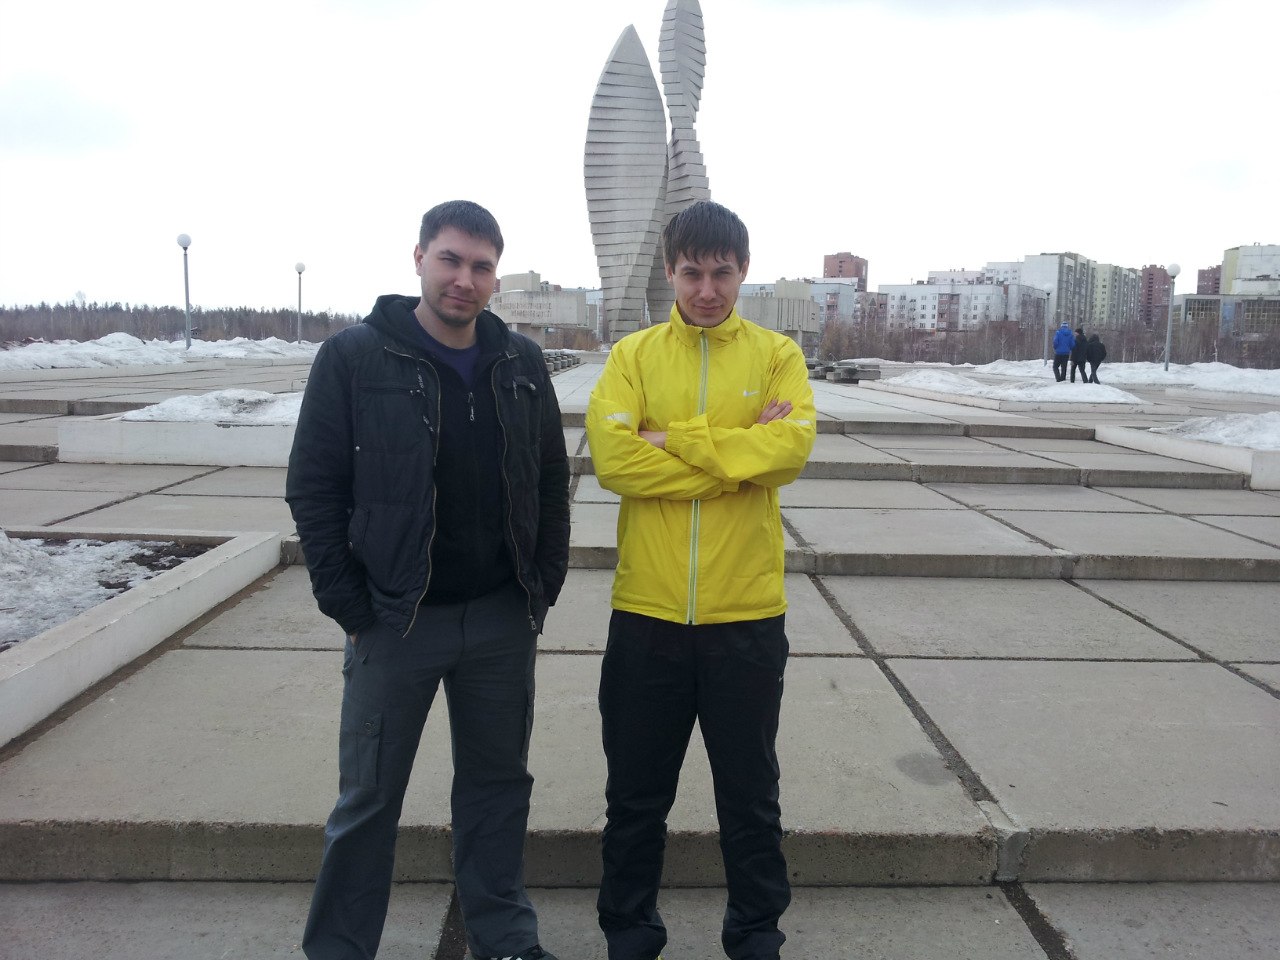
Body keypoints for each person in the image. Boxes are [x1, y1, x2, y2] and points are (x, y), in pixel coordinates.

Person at [286, 200, 569, 960]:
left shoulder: (521, 363)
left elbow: (549, 478)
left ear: (495, 277)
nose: (463, 279)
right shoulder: (354, 357)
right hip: (394, 620)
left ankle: (503, 936)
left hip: (500, 620)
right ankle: (340, 948)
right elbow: (314, 487)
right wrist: (349, 605)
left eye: (481, 266)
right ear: (419, 258)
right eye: (450, 259)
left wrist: (542, 582)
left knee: (497, 787)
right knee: (369, 797)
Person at [586, 200, 817, 960]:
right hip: (647, 615)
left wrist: (671, 439)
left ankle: (755, 933)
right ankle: (629, 931)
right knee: (635, 798)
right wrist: (734, 461)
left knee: (750, 798)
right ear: (669, 272)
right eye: (692, 273)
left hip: (746, 618)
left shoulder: (778, 356)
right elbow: (614, 460)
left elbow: (788, 451)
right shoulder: (634, 356)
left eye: (722, 273)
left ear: (744, 271)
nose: (707, 289)